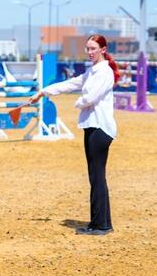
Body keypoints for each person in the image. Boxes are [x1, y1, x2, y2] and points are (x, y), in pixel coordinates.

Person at [28, 34, 119, 235]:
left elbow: (90, 98)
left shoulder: (105, 73)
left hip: (100, 129)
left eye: (94, 48)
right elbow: (69, 84)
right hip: (91, 127)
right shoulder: (91, 72)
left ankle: (101, 225)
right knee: (95, 177)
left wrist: (76, 104)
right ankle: (99, 222)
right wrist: (42, 92)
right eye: (88, 48)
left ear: (103, 50)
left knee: (97, 177)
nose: (90, 52)